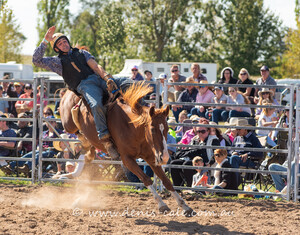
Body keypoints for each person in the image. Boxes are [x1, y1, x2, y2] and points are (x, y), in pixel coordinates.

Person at [32, 25, 127, 159]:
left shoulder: (82, 53)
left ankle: (145, 112)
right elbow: (36, 60)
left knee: (129, 82)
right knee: (95, 104)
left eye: (64, 41)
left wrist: (107, 77)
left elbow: (95, 66)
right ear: (56, 48)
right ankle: (105, 138)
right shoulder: (56, 62)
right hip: (85, 85)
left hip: (99, 77)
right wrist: (45, 41)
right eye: (60, 43)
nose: (64, 44)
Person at [171, 118, 220, 187]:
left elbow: (217, 154)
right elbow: (189, 150)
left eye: (202, 131)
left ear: (208, 131)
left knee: (187, 164)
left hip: (205, 162)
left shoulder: (213, 140)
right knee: (174, 163)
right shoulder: (195, 139)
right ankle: (178, 188)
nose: (200, 133)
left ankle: (191, 188)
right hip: (192, 160)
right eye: (198, 131)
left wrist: (209, 163)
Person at [228, 118, 264, 185]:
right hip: (237, 158)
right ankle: (226, 182)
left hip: (249, 161)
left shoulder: (253, 138)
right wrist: (233, 152)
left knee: (233, 159)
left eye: (239, 129)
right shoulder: (237, 138)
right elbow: (230, 150)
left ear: (245, 129)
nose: (237, 131)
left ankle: (235, 183)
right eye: (237, 129)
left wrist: (247, 154)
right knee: (225, 159)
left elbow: (260, 152)